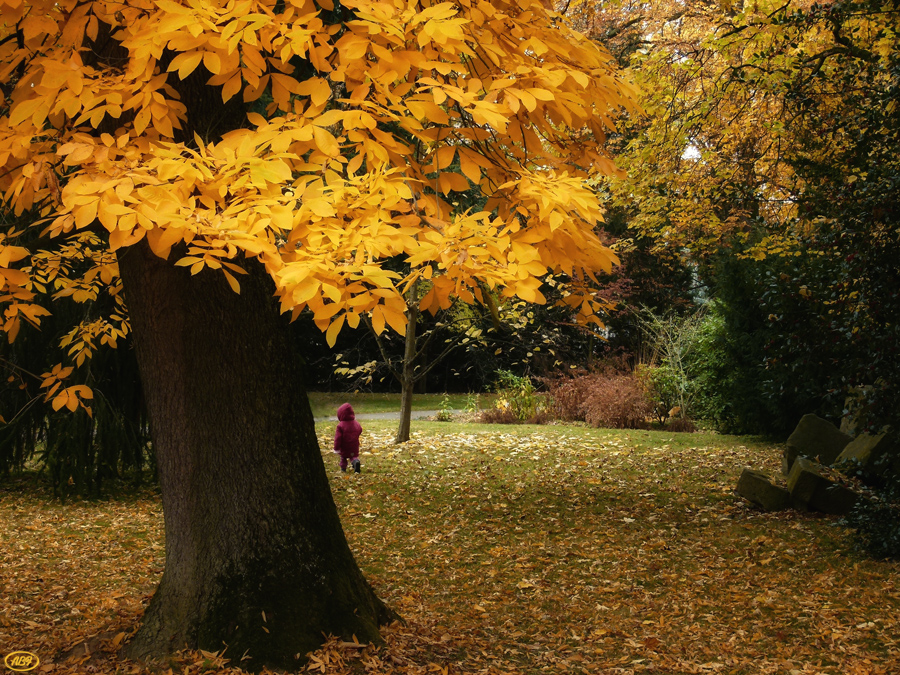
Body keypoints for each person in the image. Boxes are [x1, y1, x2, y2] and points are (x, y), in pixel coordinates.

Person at [333, 403, 362, 473]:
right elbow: (360, 430)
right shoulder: (356, 423)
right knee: (353, 456)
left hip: (344, 446)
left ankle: (343, 469)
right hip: (354, 445)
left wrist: (336, 448)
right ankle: (356, 462)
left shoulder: (340, 426)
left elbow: (338, 438)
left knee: (343, 457)